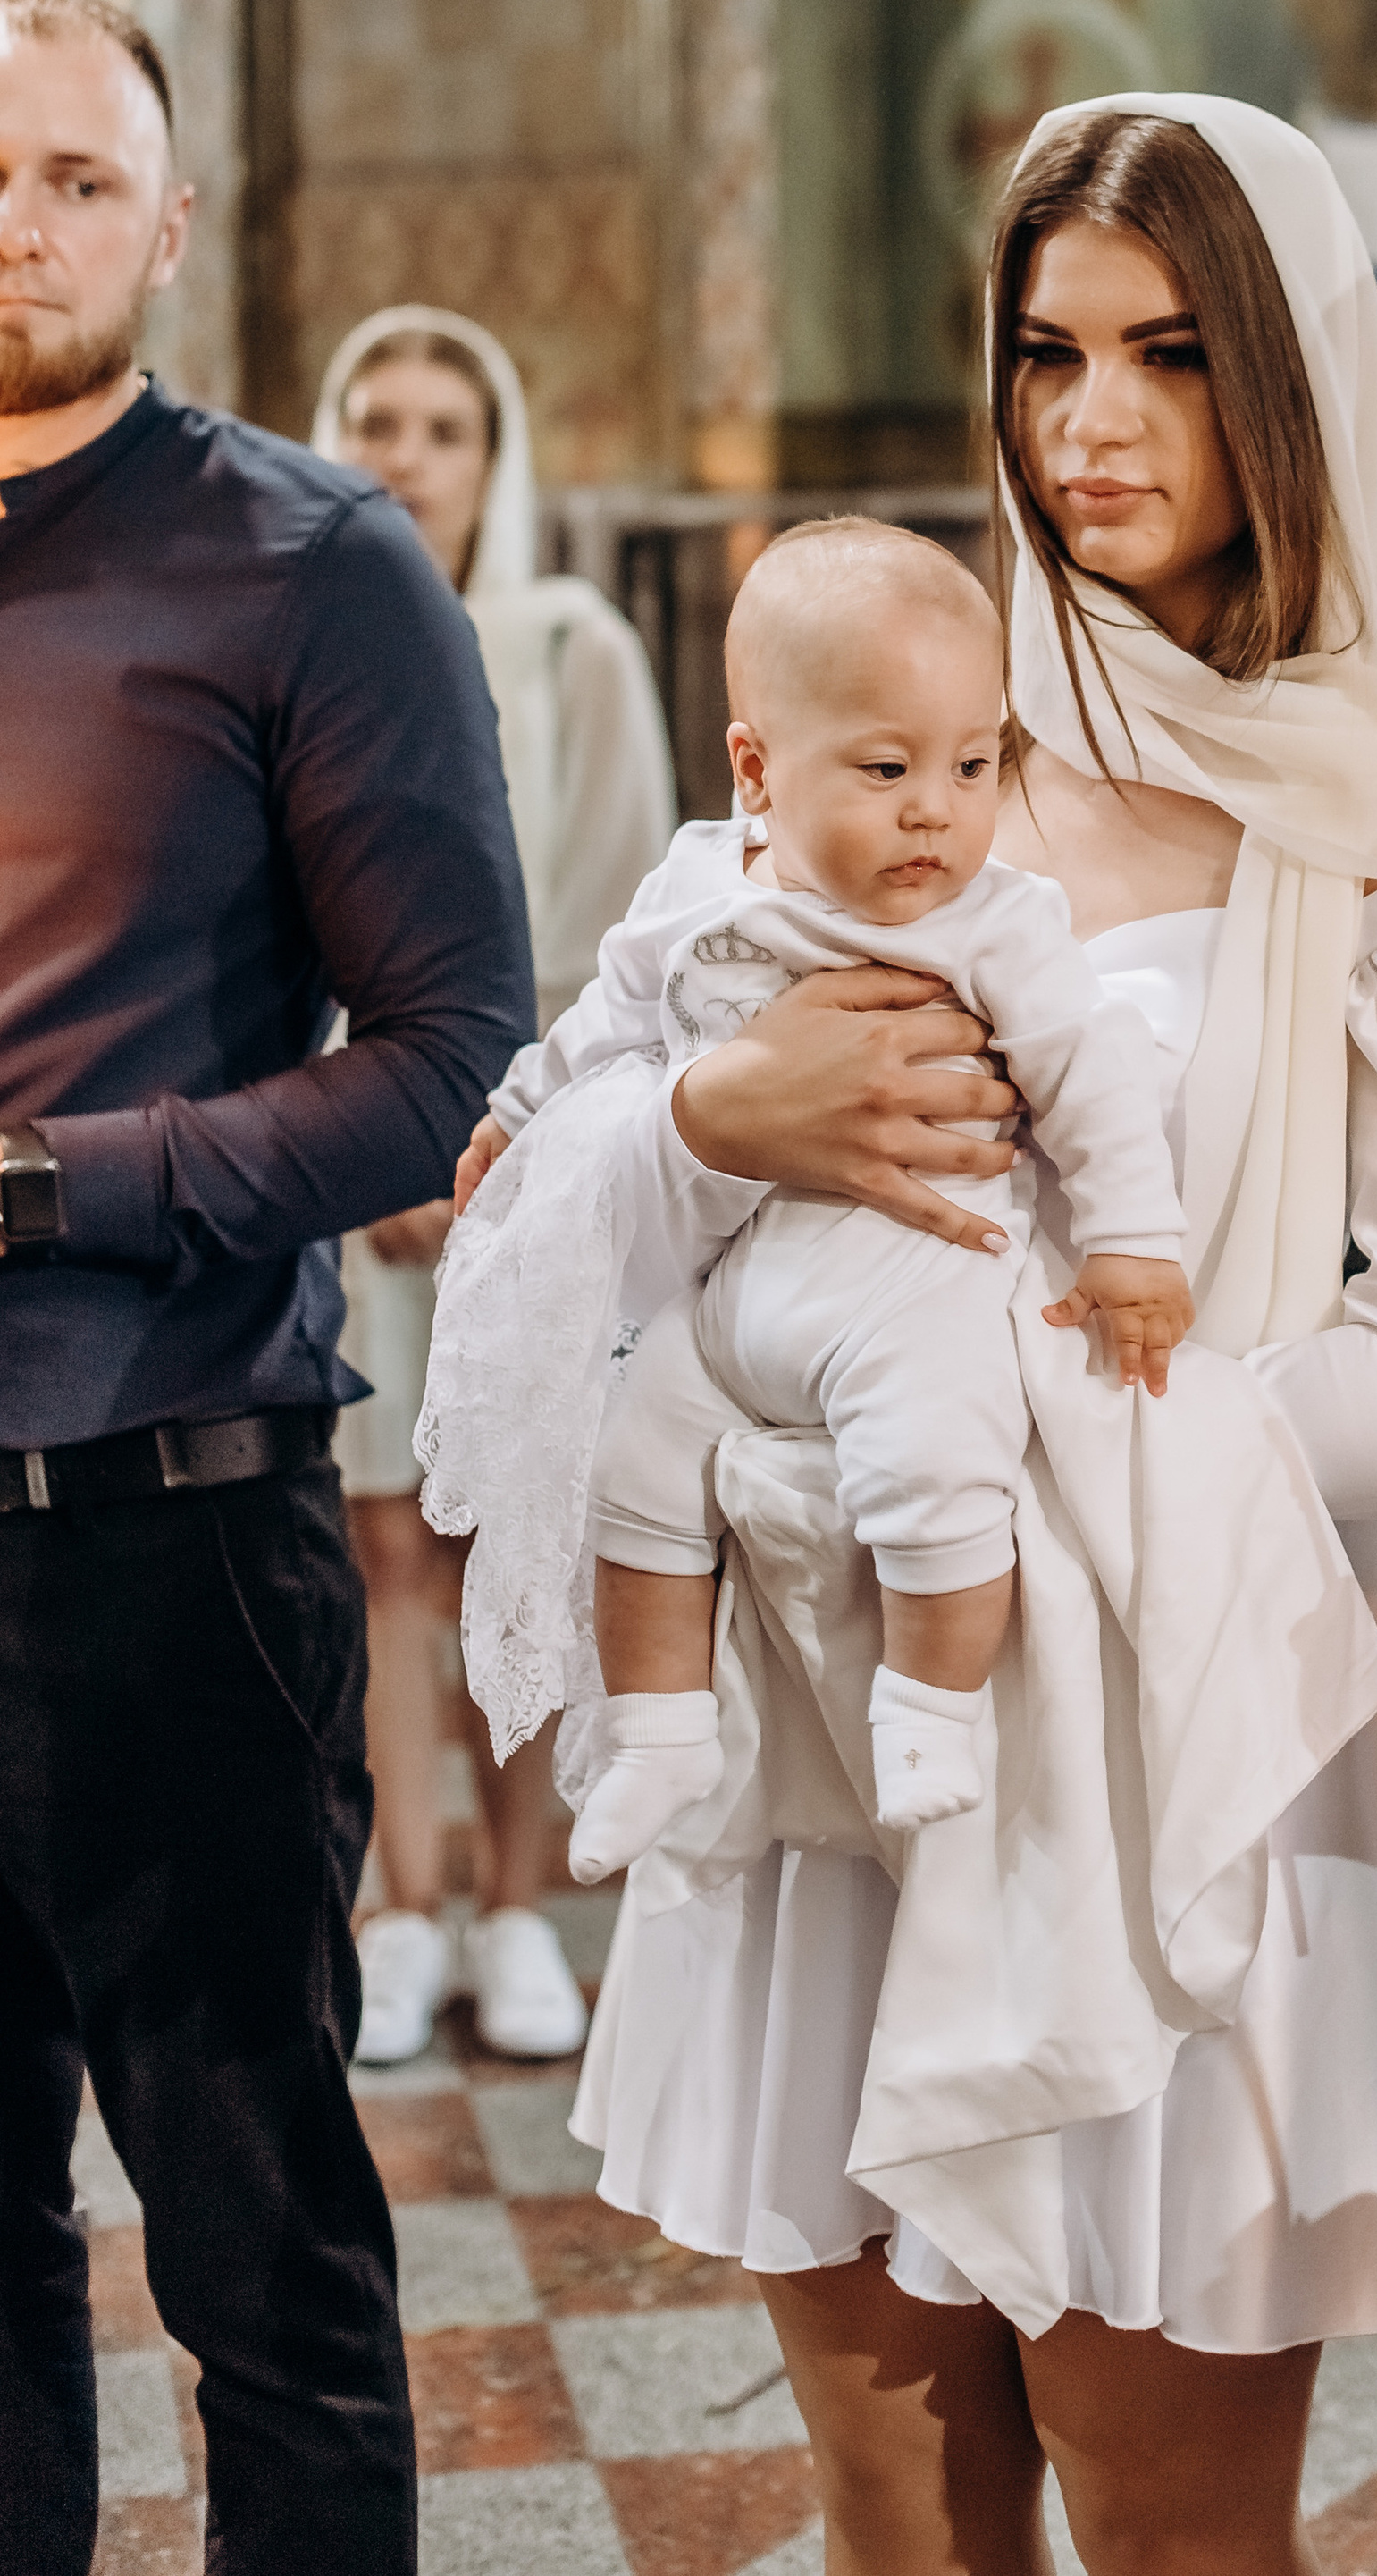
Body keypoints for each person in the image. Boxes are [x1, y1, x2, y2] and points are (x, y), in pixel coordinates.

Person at [467, 95, 1377, 2570]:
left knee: (1176, 2531)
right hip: (832, 1716)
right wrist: (705, 1116)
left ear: (1296, 382)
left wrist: (1001, 1441)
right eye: (1045, 353)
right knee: (894, 2511)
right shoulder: (898, 740)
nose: (1091, 424)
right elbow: (558, 1207)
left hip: (1178, 1722)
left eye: (1172, 356)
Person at [0, 0, 531, 2576]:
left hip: (175, 1529)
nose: (19, 225)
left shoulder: (310, 562)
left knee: (264, 2266)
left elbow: (448, 1060)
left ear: (171, 225)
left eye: (76, 179)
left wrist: (47, 1186)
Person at [433, 514, 1207, 1878]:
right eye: (887, 767)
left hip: (910, 1283)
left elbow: (1091, 1075)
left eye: (976, 763)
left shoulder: (996, 919)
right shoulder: (693, 886)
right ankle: (658, 1732)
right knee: (635, 1465)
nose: (936, 809)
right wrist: (516, 1114)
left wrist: (1136, 1244)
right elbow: (606, 1023)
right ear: (757, 769)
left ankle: (930, 1710)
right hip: (734, 1291)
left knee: (939, 1471)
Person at [310, 306, 676, 2064]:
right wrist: (363, 1143)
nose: (405, 453)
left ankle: (518, 1907)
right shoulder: (295, 627)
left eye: (443, 426)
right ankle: (400, 1912)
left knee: (511, 1537)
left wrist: (501, 1153)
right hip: (353, 1159)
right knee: (382, 1539)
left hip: (529, 1159)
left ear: (494, 458)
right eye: (374, 418)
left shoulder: (569, 645)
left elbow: (623, 928)